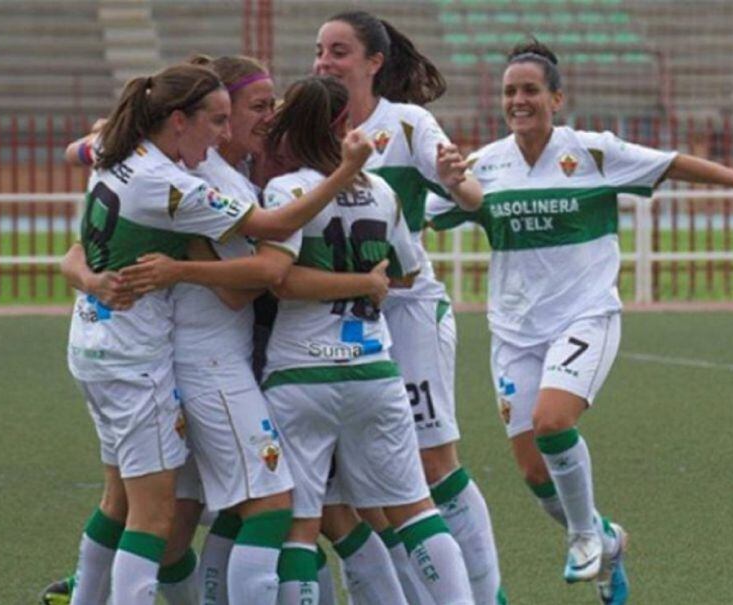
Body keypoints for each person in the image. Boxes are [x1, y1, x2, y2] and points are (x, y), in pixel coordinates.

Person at [428, 39, 733, 605]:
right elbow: (416, 213)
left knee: (552, 421)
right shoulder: (485, 166)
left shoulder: (593, 153)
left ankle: (582, 538)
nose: (519, 100)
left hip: (584, 318)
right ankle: (605, 539)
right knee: (532, 471)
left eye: (530, 90)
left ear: (557, 98)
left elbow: (669, 163)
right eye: (510, 92)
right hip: (513, 334)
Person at [60, 62, 371, 605]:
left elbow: (79, 168)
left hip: (108, 349)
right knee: (252, 506)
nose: (241, 128)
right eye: (234, 114)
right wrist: (345, 174)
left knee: (147, 512)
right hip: (185, 364)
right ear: (182, 119)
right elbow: (260, 268)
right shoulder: (185, 181)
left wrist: (94, 276)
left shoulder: (122, 152)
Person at [259, 74, 475, 605]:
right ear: (344, 125)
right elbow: (404, 273)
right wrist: (365, 281)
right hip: (372, 372)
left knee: (301, 527)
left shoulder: (285, 192)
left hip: (300, 374)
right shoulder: (380, 190)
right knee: (415, 511)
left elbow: (277, 278)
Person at [314, 11, 504, 604]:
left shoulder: (408, 123)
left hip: (406, 307)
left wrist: (457, 181)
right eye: (320, 50)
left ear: (375, 62)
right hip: (338, 317)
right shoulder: (311, 125)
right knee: (365, 485)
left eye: (339, 51)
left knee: (432, 463)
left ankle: (486, 594)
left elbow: (470, 193)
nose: (324, 62)